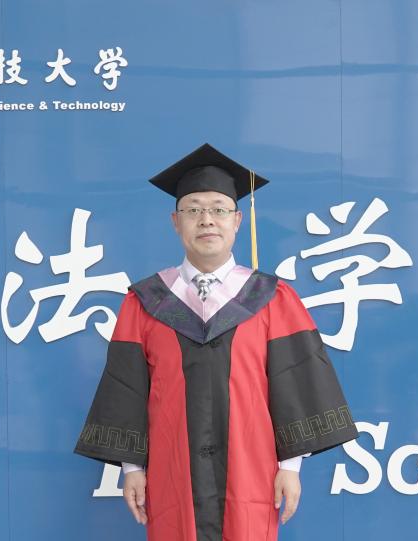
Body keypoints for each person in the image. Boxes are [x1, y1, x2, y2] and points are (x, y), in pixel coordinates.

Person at [74, 143, 357, 541]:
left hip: (251, 469)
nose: (206, 219)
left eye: (219, 209)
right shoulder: (145, 302)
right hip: (172, 470)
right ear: (176, 222)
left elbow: (296, 382)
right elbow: (127, 387)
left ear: (237, 220)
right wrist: (132, 470)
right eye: (193, 210)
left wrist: (290, 467)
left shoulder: (271, 298)